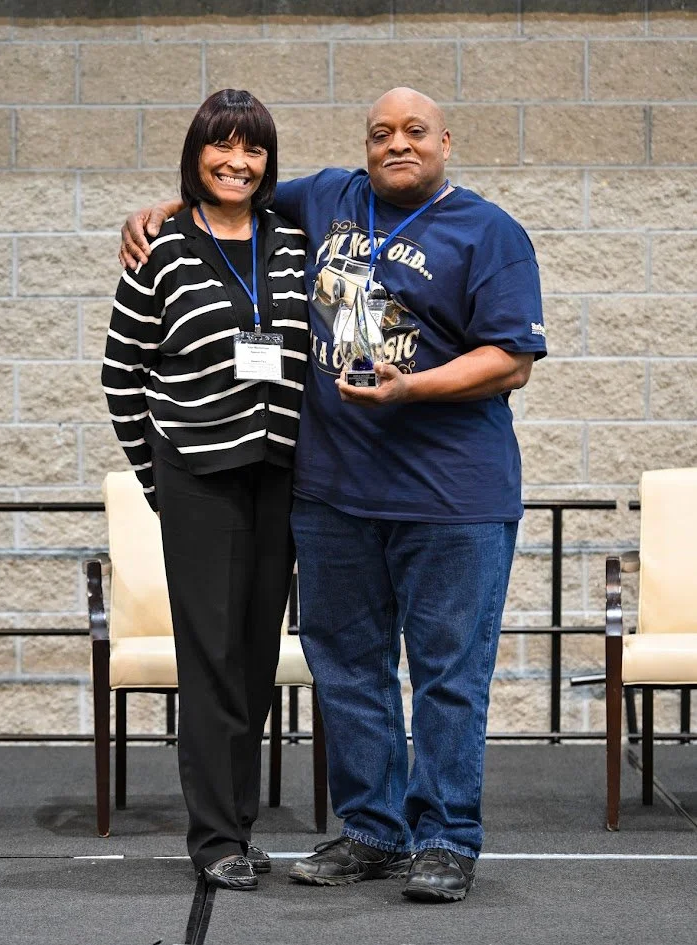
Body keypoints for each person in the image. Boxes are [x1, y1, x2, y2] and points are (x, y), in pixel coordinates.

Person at [119, 87, 546, 903]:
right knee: (348, 671)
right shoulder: (333, 196)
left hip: (452, 499)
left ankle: (446, 838)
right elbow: (236, 184)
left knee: (449, 674)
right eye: (381, 132)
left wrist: (412, 387)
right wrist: (161, 206)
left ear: (445, 141)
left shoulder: (490, 233)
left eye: (415, 132)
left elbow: (511, 359)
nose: (397, 144)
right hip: (334, 497)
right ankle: (374, 830)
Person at [104, 89, 309, 891]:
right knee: (212, 660)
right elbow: (121, 376)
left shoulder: (291, 241)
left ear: (268, 163)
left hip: (280, 478)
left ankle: (243, 826)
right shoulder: (163, 251)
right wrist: (163, 480)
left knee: (256, 661)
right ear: (195, 155)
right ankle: (214, 836)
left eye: (253, 149)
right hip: (199, 482)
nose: (238, 162)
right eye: (221, 147)